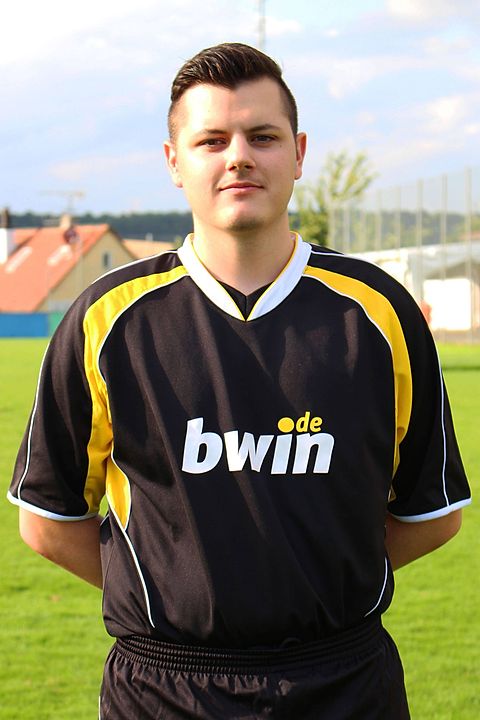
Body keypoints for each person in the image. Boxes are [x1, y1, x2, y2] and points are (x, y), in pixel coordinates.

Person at [8, 42, 471, 719]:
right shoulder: (107, 319)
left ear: (299, 153)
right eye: (211, 140)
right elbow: (48, 522)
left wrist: (312, 586)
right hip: (162, 691)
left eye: (262, 136)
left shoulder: (379, 313)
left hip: (345, 685)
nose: (238, 157)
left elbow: (432, 514)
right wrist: (169, 592)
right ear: (174, 161)